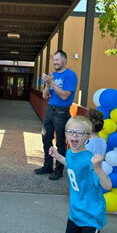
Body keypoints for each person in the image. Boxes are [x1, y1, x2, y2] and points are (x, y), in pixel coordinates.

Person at [49, 116, 112, 233]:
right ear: (65, 134)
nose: (74, 136)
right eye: (70, 132)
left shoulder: (90, 160)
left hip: (91, 213)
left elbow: (107, 185)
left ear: (88, 136)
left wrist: (98, 168)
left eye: (79, 133)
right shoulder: (70, 153)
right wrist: (58, 157)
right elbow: (71, 165)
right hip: (76, 211)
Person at [35, 50, 78, 180]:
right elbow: (44, 95)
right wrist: (48, 85)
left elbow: (65, 96)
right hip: (50, 109)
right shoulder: (52, 75)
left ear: (64, 61)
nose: (55, 62)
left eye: (57, 60)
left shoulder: (70, 75)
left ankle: (58, 170)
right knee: (46, 138)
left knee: (60, 142)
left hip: (62, 111)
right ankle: (47, 166)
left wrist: (52, 82)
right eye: (53, 60)